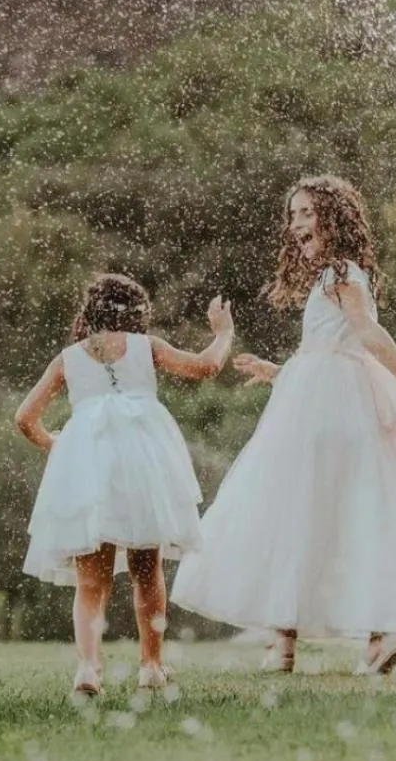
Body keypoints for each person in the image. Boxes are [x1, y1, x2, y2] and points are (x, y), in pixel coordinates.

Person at [170, 175, 396, 675]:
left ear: (334, 219)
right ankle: (357, 639)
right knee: (348, 510)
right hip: (331, 396)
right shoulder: (336, 276)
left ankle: (295, 643)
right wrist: (281, 372)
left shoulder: (342, 272)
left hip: (329, 403)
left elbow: (366, 332)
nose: (296, 224)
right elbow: (334, 347)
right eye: (293, 215)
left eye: (307, 213)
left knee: (298, 509)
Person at [16, 272, 233, 695]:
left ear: (90, 312)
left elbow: (25, 417)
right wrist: (223, 333)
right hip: (142, 468)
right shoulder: (146, 346)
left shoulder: (69, 358)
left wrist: (55, 444)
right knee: (146, 571)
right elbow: (206, 366)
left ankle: (88, 669)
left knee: (91, 581)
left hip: (90, 469)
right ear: (137, 311)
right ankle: (151, 666)